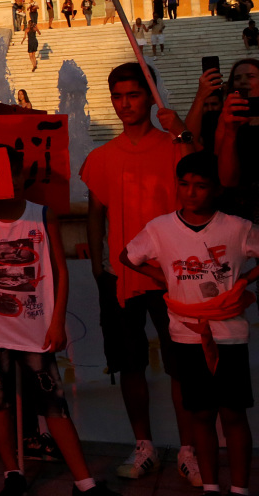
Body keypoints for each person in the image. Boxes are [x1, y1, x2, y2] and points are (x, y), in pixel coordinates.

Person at [0, 148, 120, 496]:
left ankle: (85, 482)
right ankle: (12, 473)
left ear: (22, 175)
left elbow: (60, 270)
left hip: (35, 330)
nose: (8, 182)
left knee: (53, 403)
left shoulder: (41, 214)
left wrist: (57, 320)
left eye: (13, 173)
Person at [80, 63, 200, 486]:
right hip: (120, 275)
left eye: (133, 95)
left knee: (181, 366)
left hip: (171, 277)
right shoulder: (100, 157)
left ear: (149, 97)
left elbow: (200, 175)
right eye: (118, 96)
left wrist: (181, 129)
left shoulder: (172, 147)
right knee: (129, 365)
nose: (125, 104)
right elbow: (96, 212)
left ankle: (189, 449)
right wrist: (97, 264)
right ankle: (144, 444)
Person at [121, 152, 259, 496]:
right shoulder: (160, 228)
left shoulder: (236, 227)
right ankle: (211, 487)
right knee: (200, 414)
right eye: (184, 184)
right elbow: (128, 256)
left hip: (229, 334)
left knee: (233, 415)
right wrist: (166, 276)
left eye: (200, 186)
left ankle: (240, 489)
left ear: (215, 189)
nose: (191, 192)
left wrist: (243, 282)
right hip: (185, 334)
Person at [218, 60, 259, 224]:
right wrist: (230, 131)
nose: (242, 81)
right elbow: (226, 179)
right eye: (237, 78)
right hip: (240, 212)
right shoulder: (225, 121)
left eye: (250, 76)